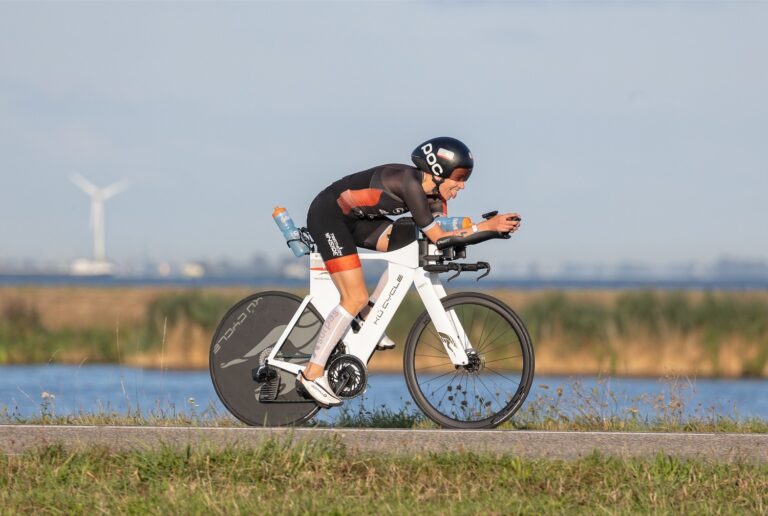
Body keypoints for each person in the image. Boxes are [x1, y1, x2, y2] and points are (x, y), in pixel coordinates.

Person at [297, 137, 521, 406]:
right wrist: (486, 228)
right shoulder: (409, 185)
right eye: (459, 177)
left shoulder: (436, 198)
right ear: (437, 172)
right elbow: (440, 237)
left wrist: (487, 232)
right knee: (352, 297)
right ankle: (312, 374)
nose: (462, 185)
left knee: (408, 247)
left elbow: (445, 236)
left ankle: (366, 315)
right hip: (329, 217)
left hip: (357, 220)